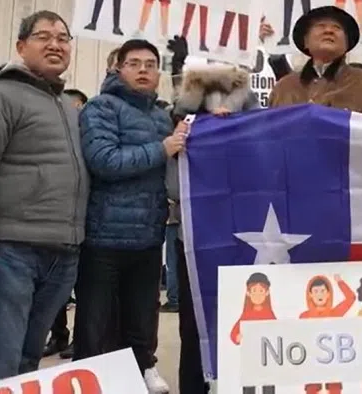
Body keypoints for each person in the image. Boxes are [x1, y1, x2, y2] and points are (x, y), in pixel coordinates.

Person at [0, 10, 89, 385]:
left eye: (63, 38)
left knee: (28, 365)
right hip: (11, 253)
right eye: (44, 36)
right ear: (20, 46)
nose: (55, 44)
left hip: (62, 255)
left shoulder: (67, 106)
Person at [74, 39, 178, 394]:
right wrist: (161, 149)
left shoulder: (162, 116)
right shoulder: (101, 108)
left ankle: (142, 368)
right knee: (95, 322)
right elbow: (104, 160)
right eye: (134, 63)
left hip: (149, 235)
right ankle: (89, 379)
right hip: (104, 236)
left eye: (151, 63)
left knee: (142, 315)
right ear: (117, 68)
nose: (144, 69)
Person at [168, 42, 262, 394]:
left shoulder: (248, 103)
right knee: (193, 322)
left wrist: (235, 125)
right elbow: (174, 139)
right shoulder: (183, 106)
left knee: (244, 313)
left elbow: (262, 140)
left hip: (242, 224)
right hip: (195, 227)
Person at [269, 5, 362, 119]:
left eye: (337, 27)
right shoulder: (284, 87)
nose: (329, 31)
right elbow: (269, 131)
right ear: (305, 42)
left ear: (347, 44)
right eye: (320, 26)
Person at [42, 88, 89, 360]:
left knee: (83, 289)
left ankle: (80, 339)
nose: (74, 112)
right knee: (54, 288)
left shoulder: (92, 139)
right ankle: (58, 335)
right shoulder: (51, 140)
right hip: (55, 224)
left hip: (85, 225)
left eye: (79, 106)